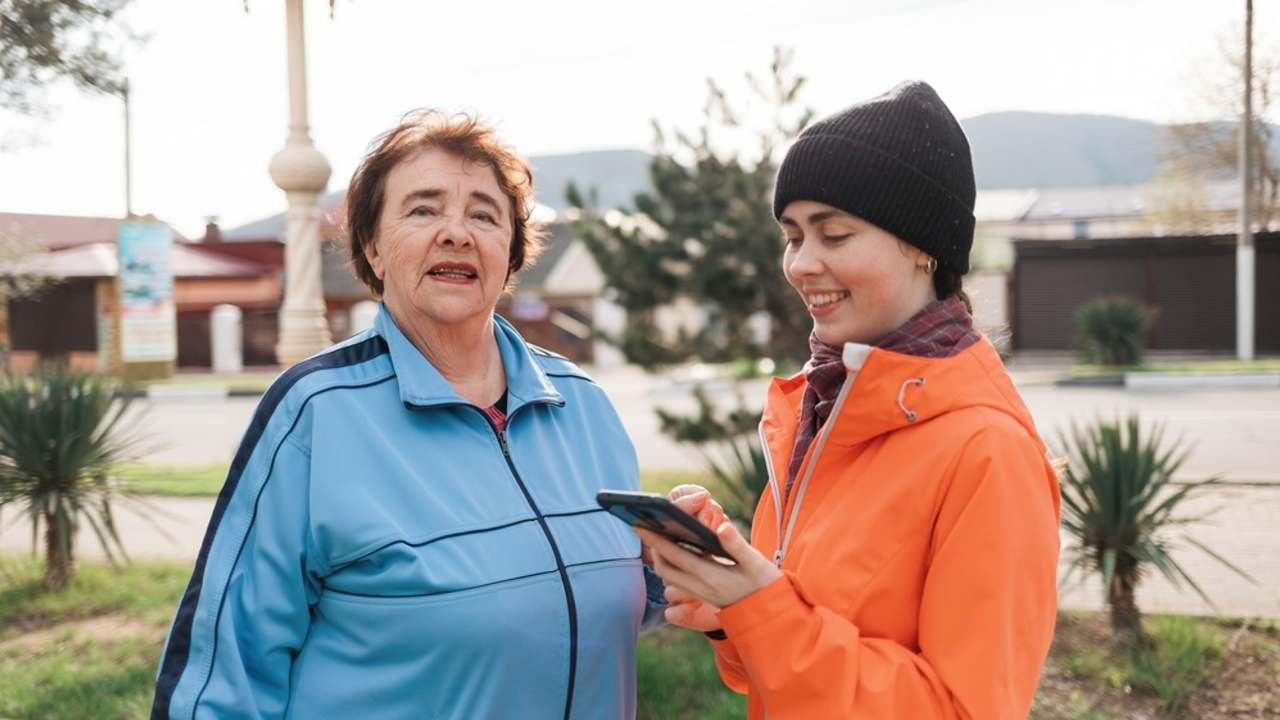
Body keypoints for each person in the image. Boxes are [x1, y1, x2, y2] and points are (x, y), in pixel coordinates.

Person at [152, 110, 664, 720]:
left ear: (511, 251)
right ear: (373, 246)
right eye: (423, 210)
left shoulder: (583, 403)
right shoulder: (315, 414)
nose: (457, 233)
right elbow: (223, 675)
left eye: (483, 214)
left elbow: (615, 599)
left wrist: (677, 571)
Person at [637, 81, 1061, 719]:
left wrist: (763, 610)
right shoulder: (820, 409)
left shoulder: (988, 453)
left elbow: (961, 710)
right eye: (792, 235)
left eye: (833, 235)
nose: (802, 263)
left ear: (924, 247)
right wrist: (733, 607)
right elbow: (792, 670)